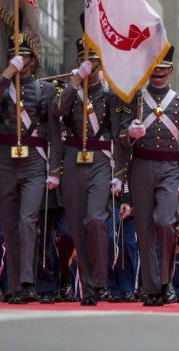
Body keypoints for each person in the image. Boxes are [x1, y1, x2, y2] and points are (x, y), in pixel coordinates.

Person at [119, 45, 179, 306]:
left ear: (171, 70)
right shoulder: (136, 98)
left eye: (164, 69)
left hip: (169, 169)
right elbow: (121, 139)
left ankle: (166, 281)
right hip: (140, 167)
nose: (159, 74)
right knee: (143, 230)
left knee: (165, 223)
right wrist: (130, 134)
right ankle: (152, 288)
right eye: (155, 69)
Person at [0, 33, 57, 304]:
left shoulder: (46, 90)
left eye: (25, 56)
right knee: (10, 225)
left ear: (34, 60)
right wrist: (7, 73)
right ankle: (14, 284)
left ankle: (27, 282)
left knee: (28, 221)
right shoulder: (1, 87)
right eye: (16, 56)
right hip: (5, 160)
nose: (20, 60)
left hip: (34, 160)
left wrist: (55, 169)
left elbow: (53, 130)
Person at [53, 37, 119, 306]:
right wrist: (75, 82)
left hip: (100, 160)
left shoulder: (109, 95)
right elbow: (59, 110)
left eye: (93, 62)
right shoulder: (68, 90)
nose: (88, 66)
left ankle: (100, 281)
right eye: (84, 61)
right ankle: (88, 286)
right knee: (78, 227)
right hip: (72, 161)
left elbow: (117, 132)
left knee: (95, 219)